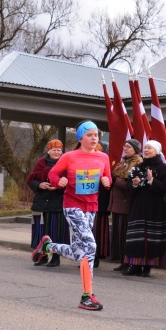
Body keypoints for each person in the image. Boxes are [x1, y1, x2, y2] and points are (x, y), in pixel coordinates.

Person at [33, 122, 112, 310]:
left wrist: (107, 181)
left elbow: (107, 178)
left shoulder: (103, 157)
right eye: (90, 135)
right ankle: (87, 296)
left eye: (96, 135)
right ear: (80, 138)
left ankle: (48, 245)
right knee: (90, 245)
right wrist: (58, 180)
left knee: (79, 252)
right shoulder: (69, 157)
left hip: (91, 207)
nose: (94, 138)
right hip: (72, 206)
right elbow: (53, 173)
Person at [122, 140, 166, 277]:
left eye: (150, 148)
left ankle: (147, 266)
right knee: (136, 236)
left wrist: (151, 181)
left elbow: (164, 188)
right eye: (146, 147)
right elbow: (128, 188)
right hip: (138, 206)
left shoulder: (163, 168)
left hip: (154, 207)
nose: (147, 150)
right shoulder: (138, 167)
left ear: (157, 151)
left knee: (151, 238)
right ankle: (135, 265)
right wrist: (135, 184)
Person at [27, 139, 68, 268]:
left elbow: (71, 181)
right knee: (41, 232)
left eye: (59, 150)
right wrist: (40, 185)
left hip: (58, 203)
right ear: (48, 151)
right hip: (42, 203)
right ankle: (42, 256)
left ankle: (56, 257)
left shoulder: (66, 163)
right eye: (54, 150)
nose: (56, 152)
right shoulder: (41, 163)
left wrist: (58, 186)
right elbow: (31, 180)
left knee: (56, 232)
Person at [109, 140, 143, 272]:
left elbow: (131, 185)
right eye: (125, 146)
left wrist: (115, 180)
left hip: (126, 204)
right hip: (117, 203)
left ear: (135, 149)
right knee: (119, 234)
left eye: (129, 147)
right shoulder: (123, 162)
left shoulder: (138, 163)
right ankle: (123, 261)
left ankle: (128, 261)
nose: (125, 148)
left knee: (126, 235)